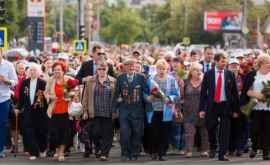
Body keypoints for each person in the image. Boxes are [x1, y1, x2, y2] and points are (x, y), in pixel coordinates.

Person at [199, 53, 240, 161]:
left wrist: (236, 109)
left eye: (225, 61)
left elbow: (235, 93)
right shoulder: (208, 74)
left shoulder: (230, 74)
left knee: (225, 130)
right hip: (212, 105)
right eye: (222, 61)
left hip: (226, 105)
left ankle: (222, 154)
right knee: (210, 127)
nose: (224, 63)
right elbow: (203, 93)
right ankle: (213, 146)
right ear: (216, 61)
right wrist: (202, 109)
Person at [113, 58, 149, 161]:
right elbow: (116, 94)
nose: (131, 67)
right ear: (124, 67)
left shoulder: (141, 78)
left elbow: (146, 93)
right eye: (128, 65)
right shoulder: (120, 78)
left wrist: (148, 106)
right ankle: (125, 153)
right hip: (124, 109)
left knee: (137, 132)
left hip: (138, 109)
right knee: (124, 133)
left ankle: (135, 152)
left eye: (133, 65)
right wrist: (114, 109)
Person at [82, 60, 116, 161]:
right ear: (97, 70)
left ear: (107, 69)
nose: (101, 71)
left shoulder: (113, 81)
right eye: (99, 69)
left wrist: (116, 110)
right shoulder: (90, 81)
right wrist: (85, 111)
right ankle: (98, 148)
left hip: (108, 112)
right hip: (94, 111)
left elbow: (116, 97)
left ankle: (104, 153)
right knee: (95, 133)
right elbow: (85, 96)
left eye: (103, 69)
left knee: (107, 134)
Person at [147, 59, 180, 161]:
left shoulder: (171, 80)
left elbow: (177, 94)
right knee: (154, 132)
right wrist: (148, 97)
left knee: (164, 133)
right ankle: (154, 152)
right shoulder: (151, 79)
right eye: (159, 68)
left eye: (164, 69)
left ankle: (161, 153)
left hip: (166, 111)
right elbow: (145, 92)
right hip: (153, 110)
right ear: (156, 69)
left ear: (167, 69)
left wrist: (169, 98)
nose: (161, 71)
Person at [45, 61, 76, 161]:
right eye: (55, 70)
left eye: (59, 70)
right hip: (53, 111)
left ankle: (61, 152)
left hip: (66, 110)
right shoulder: (50, 80)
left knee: (64, 133)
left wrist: (69, 96)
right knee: (54, 133)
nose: (57, 71)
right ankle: (58, 150)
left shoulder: (68, 80)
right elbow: (46, 93)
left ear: (63, 71)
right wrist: (50, 97)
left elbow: (74, 93)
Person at [17, 63, 48, 160]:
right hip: (28, 110)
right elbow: (21, 97)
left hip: (40, 111)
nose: (33, 72)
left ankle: (42, 149)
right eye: (31, 70)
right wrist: (18, 107)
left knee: (40, 130)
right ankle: (33, 152)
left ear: (38, 72)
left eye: (35, 70)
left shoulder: (42, 83)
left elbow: (46, 98)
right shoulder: (25, 83)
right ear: (28, 72)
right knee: (29, 131)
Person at [245, 54, 270, 160]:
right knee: (255, 130)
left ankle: (266, 152)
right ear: (261, 64)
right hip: (255, 107)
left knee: (267, 130)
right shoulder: (252, 75)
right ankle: (254, 147)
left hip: (268, 108)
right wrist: (256, 95)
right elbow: (246, 91)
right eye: (267, 62)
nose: (269, 64)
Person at [182, 62, 208, 158]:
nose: (198, 72)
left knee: (204, 131)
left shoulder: (205, 82)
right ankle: (188, 150)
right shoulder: (185, 82)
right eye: (196, 70)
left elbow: (208, 96)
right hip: (188, 110)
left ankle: (204, 150)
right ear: (191, 71)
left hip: (202, 110)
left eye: (200, 70)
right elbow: (181, 96)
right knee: (189, 132)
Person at [0, 49, 17, 158]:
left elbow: (15, 81)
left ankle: (0, 149)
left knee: (2, 124)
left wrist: (6, 81)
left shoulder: (8, 65)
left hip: (4, 99)